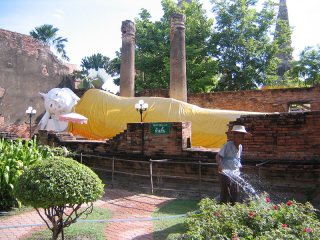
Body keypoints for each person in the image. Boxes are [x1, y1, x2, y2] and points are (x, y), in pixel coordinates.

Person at [215, 125, 250, 204]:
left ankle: (232, 207)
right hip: (225, 172)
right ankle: (222, 209)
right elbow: (218, 156)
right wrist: (220, 165)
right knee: (225, 192)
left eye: (242, 137)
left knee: (235, 191)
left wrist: (239, 167)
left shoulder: (240, 146)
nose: (240, 139)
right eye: (238, 137)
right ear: (234, 136)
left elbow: (237, 159)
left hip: (235, 172)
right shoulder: (228, 145)